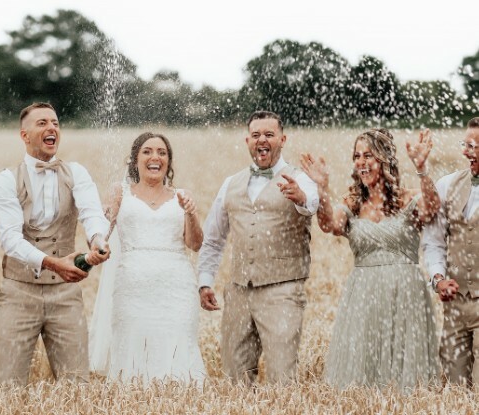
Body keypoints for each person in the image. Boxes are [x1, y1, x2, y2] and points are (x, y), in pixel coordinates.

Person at [302, 128, 440, 392]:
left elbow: (431, 208)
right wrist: (322, 189)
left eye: (369, 156)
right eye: (357, 156)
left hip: (406, 295)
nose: (361, 163)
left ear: (385, 160)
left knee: (406, 377)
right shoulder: (352, 203)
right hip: (363, 296)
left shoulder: (407, 198)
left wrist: (422, 167)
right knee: (362, 377)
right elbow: (329, 224)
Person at [0, 102, 110, 386]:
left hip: (65, 295)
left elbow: (92, 213)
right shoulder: (6, 180)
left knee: (76, 385)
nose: (51, 127)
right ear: (24, 135)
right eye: (42, 123)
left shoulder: (77, 173)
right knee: (7, 385)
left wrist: (98, 240)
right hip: (19, 293)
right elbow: (10, 239)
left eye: (55, 122)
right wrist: (54, 264)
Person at [198, 110, 318, 383]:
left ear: (282, 139)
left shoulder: (300, 179)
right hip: (238, 292)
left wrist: (300, 198)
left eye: (268, 134)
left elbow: (312, 204)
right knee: (235, 376)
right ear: (247, 141)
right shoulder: (231, 183)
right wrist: (205, 281)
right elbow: (214, 238)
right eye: (255, 135)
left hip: (283, 291)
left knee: (282, 377)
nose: (261, 140)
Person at [89, 132, 206, 383]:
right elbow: (102, 233)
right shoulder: (120, 192)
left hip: (177, 290)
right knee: (132, 348)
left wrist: (192, 214)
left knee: (178, 347)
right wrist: (100, 230)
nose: (155, 157)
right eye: (147, 151)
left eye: (162, 153)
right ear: (135, 160)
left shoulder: (181, 196)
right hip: (132, 289)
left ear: (169, 161)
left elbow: (195, 244)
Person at [422, 118, 479, 385]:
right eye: (466, 144)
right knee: (457, 394)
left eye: (475, 145)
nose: (468, 151)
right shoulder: (447, 185)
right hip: (455, 308)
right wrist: (438, 278)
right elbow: (434, 242)